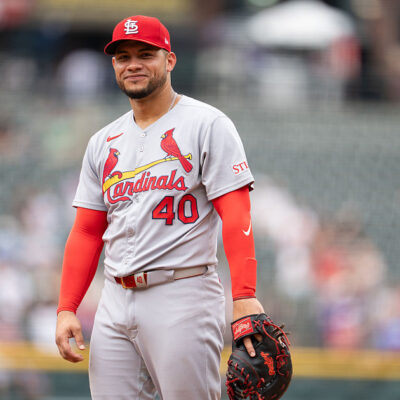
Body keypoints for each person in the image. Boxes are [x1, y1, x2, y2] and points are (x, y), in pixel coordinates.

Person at [55, 15, 264, 400]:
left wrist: (244, 296)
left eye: (145, 54)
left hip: (182, 292)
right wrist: (67, 307)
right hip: (115, 300)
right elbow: (87, 230)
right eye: (122, 56)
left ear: (169, 60)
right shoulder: (103, 142)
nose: (132, 63)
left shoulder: (207, 124)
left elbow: (236, 211)